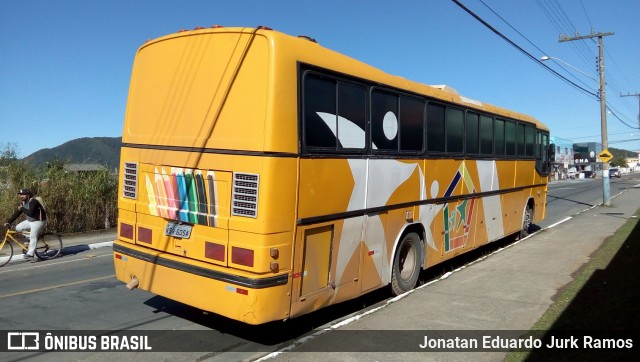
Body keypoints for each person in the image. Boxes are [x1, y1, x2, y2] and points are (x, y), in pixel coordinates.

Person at [4, 189, 47, 261]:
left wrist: (22, 208)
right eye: (20, 195)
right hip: (30, 221)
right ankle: (29, 239)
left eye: (23, 195)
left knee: (33, 236)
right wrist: (9, 222)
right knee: (18, 228)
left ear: (28, 195)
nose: (21, 196)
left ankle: (30, 254)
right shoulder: (22, 202)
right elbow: (18, 212)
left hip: (39, 221)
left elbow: (30, 212)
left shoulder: (33, 201)